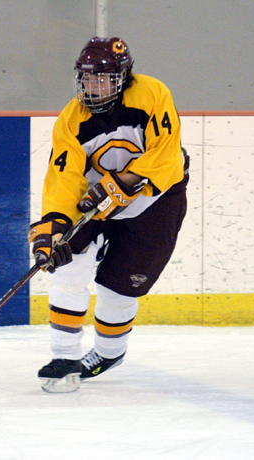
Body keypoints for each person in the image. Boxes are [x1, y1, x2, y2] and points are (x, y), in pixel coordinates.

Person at [28, 37, 189, 393]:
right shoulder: (71, 119)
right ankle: (64, 357)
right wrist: (53, 227)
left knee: (119, 285)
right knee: (66, 266)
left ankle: (109, 353)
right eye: (87, 78)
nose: (93, 86)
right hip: (95, 198)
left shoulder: (151, 94)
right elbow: (64, 179)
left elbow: (167, 155)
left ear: (123, 77)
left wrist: (125, 182)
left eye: (102, 78)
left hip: (155, 200)